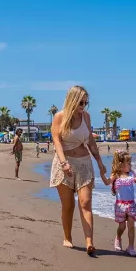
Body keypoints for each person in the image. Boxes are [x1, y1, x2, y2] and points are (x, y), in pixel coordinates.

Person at [49, 85, 109, 256]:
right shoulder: (59, 117)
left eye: (86, 102)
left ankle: (89, 242)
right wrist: (63, 163)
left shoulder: (86, 117)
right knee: (68, 206)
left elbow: (90, 141)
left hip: (84, 163)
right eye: (81, 102)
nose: (84, 105)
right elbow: (57, 141)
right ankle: (67, 237)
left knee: (85, 203)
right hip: (64, 164)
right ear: (72, 100)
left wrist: (99, 162)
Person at [110, 150, 136, 256]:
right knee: (122, 227)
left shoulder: (131, 174)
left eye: (130, 163)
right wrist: (103, 176)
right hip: (120, 205)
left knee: (131, 226)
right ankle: (118, 237)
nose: (130, 165)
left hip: (131, 204)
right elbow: (107, 181)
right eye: (129, 163)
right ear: (121, 164)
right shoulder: (116, 175)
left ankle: (131, 247)